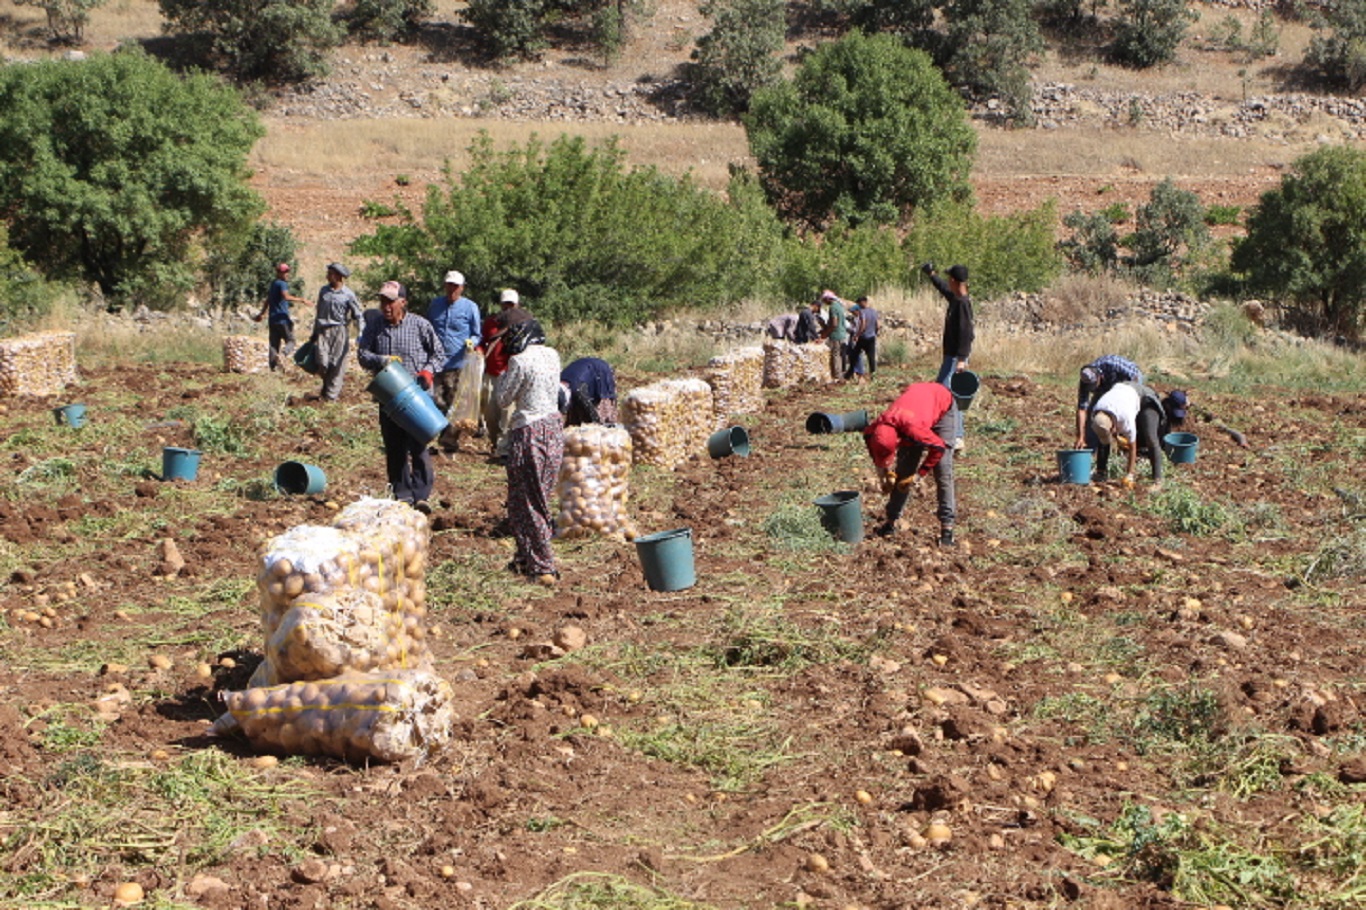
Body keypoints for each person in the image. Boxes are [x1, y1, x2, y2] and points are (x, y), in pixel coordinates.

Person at [357, 282, 446, 510]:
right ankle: (402, 495)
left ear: (402, 302)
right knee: (394, 447)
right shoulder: (375, 326)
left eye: (391, 301)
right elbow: (362, 354)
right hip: (389, 396)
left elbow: (438, 354)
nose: (386, 306)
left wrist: (428, 370)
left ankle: (421, 495)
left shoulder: (420, 325)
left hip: (417, 396)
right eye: (383, 301)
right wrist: (381, 360)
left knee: (418, 446)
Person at [495, 318, 564, 585]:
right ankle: (524, 558)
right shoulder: (553, 355)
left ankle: (544, 566)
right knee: (539, 496)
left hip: (530, 432)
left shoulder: (519, 362)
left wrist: (503, 375)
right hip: (554, 428)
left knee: (525, 501)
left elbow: (503, 399)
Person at [864, 382, 959, 546]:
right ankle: (891, 522)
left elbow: (938, 448)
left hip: (942, 406)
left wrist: (918, 475)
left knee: (942, 471)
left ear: (899, 440)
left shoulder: (913, 429)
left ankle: (947, 530)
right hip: (916, 412)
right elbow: (875, 449)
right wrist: (883, 474)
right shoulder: (874, 429)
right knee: (903, 471)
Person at [427, 270, 482, 450]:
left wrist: (471, 343)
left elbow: (476, 333)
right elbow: (427, 329)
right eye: (449, 285)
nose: (452, 289)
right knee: (436, 400)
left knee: (455, 403)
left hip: (458, 363)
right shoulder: (435, 305)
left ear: (462, 288)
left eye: (455, 286)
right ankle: (435, 432)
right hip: (436, 361)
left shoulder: (470, 307)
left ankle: (449, 441)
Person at [923, 263, 974, 452]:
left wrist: (962, 359)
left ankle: (957, 435)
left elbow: (966, 333)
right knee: (944, 392)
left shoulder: (962, 304)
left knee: (948, 394)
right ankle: (950, 432)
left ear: (954, 280)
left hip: (955, 358)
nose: (948, 283)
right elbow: (943, 288)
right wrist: (932, 275)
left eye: (949, 279)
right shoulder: (956, 298)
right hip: (951, 356)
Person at [481, 289, 533, 463]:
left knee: (507, 413)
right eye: (505, 305)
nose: (508, 308)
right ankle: (496, 443)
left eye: (511, 305)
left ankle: (504, 449)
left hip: (509, 372)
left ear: (517, 305)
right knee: (489, 412)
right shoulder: (491, 323)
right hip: (490, 372)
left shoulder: (522, 323)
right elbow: (484, 341)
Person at [310, 263, 364, 401]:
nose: (327, 276)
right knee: (322, 362)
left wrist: (361, 333)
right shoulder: (324, 291)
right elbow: (318, 312)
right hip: (323, 330)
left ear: (338, 276)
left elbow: (358, 314)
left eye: (330, 274)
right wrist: (314, 332)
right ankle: (326, 386)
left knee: (337, 364)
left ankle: (331, 397)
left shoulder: (348, 294)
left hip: (339, 332)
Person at [252, 262, 309, 371]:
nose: (286, 274)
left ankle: (273, 368)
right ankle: (283, 355)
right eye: (284, 272)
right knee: (291, 341)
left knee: (274, 344)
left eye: (287, 272)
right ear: (278, 273)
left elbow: (268, 300)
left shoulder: (274, 284)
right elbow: (286, 296)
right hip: (282, 319)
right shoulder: (282, 284)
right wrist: (302, 300)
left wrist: (262, 314)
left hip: (272, 319)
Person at [560, 357, 618, 425]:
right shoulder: (558, 386)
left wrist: (598, 425)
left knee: (602, 413)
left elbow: (592, 416)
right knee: (576, 414)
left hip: (600, 371)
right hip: (581, 373)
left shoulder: (578, 390)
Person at [846, 295, 879, 381]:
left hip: (863, 337)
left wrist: (857, 335)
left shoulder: (862, 312)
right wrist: (875, 333)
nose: (859, 305)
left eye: (859, 303)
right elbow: (877, 325)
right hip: (872, 337)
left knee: (855, 355)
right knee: (871, 357)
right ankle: (873, 375)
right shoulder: (874, 311)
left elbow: (863, 325)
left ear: (863, 302)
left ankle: (849, 373)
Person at [819, 290, 850, 380]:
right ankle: (840, 374)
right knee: (840, 355)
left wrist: (825, 334)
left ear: (828, 299)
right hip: (842, 334)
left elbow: (834, 324)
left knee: (835, 356)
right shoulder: (839, 306)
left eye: (825, 300)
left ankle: (837, 376)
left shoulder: (833, 308)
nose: (824, 302)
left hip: (836, 335)